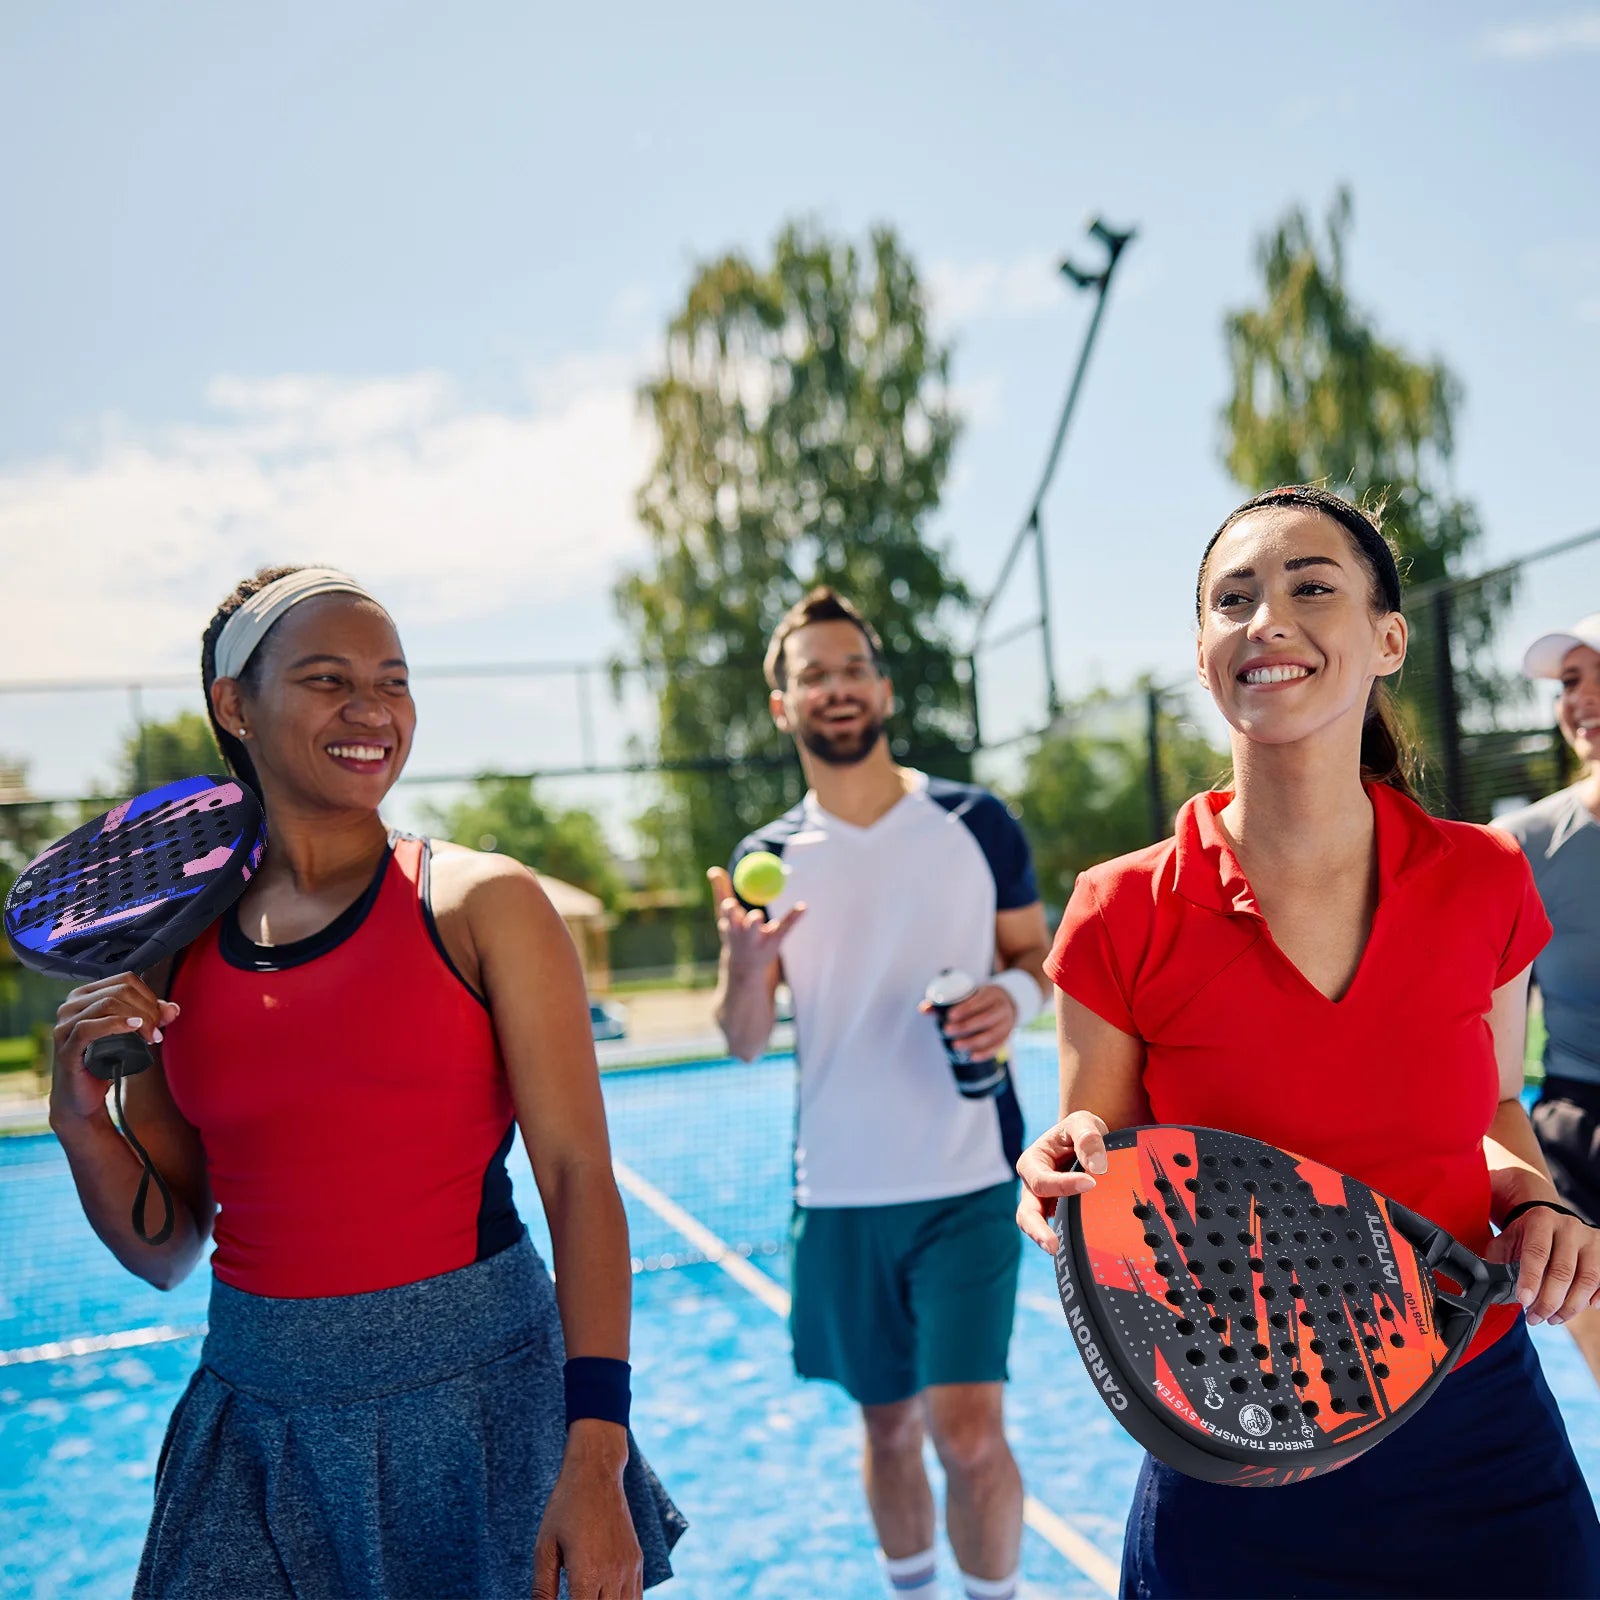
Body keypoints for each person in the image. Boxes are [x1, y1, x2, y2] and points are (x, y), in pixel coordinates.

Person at [49, 566, 684, 1600]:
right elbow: (167, 1252)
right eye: (327, 679)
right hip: (257, 1416)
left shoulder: (481, 904)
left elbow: (577, 1177)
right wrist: (84, 1124)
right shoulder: (171, 950)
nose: (372, 709)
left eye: (393, 680)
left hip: (482, 1408)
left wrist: (595, 1454)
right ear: (233, 705)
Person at [1014, 487, 1600, 1598]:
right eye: (1232, 600)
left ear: (1389, 641)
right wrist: (1061, 1169)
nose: (1267, 620)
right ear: (1203, 657)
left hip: (1478, 1436)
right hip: (1231, 1450)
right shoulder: (1117, 908)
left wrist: (1537, 1203)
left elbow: (1491, 1111)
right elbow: (1100, 1159)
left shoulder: (1486, 877)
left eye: (1311, 587)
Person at [709, 587, 1050, 1600]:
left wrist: (1008, 999)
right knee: (889, 1427)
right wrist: (742, 968)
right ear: (784, 705)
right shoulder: (763, 861)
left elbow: (1036, 958)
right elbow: (740, 1041)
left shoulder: (976, 821)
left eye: (853, 666)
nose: (837, 686)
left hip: (967, 1182)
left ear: (884, 689)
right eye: (813, 674)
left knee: (968, 1433)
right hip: (840, 1193)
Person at [1495, 611, 1600, 1390]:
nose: (1582, 697)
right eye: (1570, 681)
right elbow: (1485, 1041)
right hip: (1579, 1126)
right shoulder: (1520, 846)